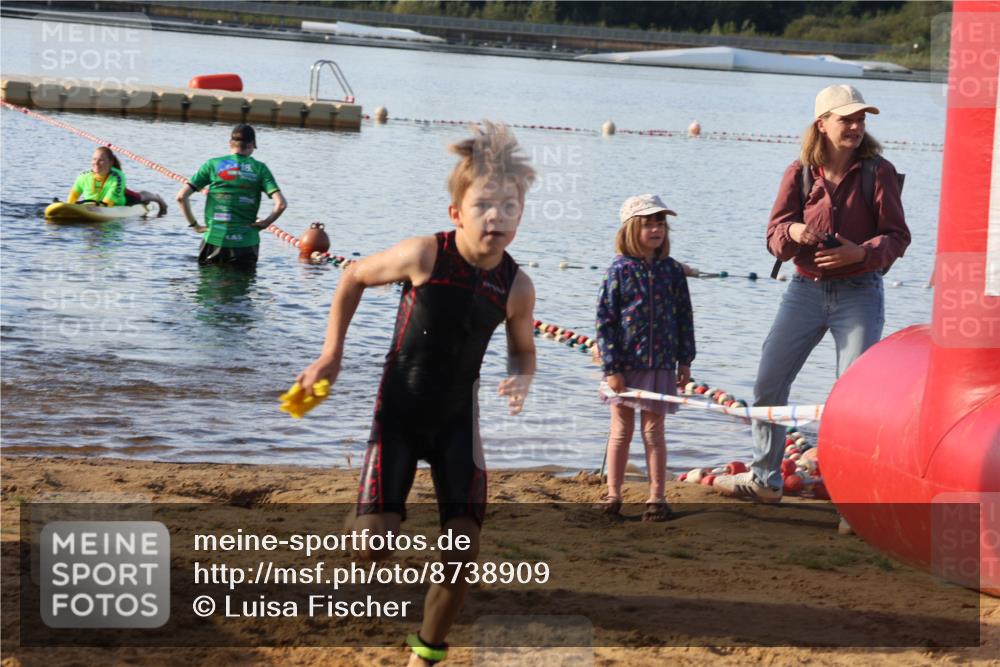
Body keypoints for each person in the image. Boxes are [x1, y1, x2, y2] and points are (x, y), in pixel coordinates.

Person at [293, 122, 536, 666]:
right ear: (457, 213)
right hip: (399, 413)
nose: (496, 217)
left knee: (462, 554)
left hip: (457, 423)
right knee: (371, 550)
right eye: (483, 206)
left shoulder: (517, 286)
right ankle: (360, 524)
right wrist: (332, 354)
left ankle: (426, 653)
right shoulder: (425, 255)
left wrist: (522, 374)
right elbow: (353, 276)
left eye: (509, 207)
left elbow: (523, 347)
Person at [714, 84, 910, 502]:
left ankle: (852, 497)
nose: (856, 127)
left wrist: (862, 252)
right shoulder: (799, 172)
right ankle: (764, 478)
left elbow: (897, 237)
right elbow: (774, 237)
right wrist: (793, 231)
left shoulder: (880, 171)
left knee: (854, 398)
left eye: (861, 120)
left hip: (860, 292)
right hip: (803, 290)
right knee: (768, 382)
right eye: (847, 119)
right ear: (822, 124)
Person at [594, 194, 695, 521]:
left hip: (662, 362)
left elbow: (684, 316)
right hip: (625, 363)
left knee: (654, 431)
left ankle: (656, 496)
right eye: (648, 223)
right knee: (621, 430)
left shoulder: (672, 271)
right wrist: (612, 368)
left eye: (660, 224)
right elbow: (605, 320)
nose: (656, 230)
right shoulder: (619, 270)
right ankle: (613, 494)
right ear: (631, 229)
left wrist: (685, 360)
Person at [176, 124, 287, 268]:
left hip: (215, 239)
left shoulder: (212, 165)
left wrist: (195, 226)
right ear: (252, 144)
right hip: (247, 243)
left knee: (209, 286)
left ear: (230, 143)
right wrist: (265, 223)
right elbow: (281, 204)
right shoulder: (260, 169)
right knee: (241, 287)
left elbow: (181, 197)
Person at [66, 146, 168, 215]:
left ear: (110, 163)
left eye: (101, 160)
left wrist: (88, 209)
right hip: (93, 205)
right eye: (94, 159)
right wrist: (69, 206)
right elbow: (73, 196)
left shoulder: (117, 177)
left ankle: (157, 198)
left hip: (119, 200)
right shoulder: (83, 176)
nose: (96, 163)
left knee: (140, 197)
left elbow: (107, 203)